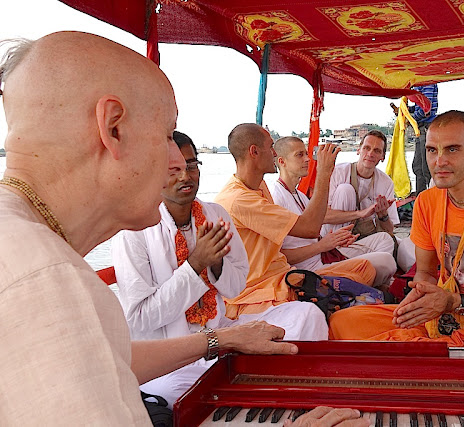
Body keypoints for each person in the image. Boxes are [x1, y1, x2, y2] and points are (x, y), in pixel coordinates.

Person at [0, 33, 365, 426]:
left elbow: (114, 358)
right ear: (113, 128)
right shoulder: (42, 281)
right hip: (178, 371)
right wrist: (196, 265)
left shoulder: (35, 248)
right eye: (164, 136)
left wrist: (220, 336)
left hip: (213, 336)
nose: (177, 164)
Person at [328, 110, 464, 405]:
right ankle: (444, 371)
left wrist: (457, 303)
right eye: (432, 150)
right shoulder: (427, 202)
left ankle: (416, 369)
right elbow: (425, 273)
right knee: (344, 323)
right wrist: (419, 296)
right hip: (439, 316)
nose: (439, 161)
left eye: (452, 149)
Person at [112, 131, 328, 407]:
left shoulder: (215, 215)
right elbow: (141, 319)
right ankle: (265, 389)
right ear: (151, 173)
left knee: (306, 314)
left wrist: (217, 265)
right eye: (173, 170)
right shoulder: (133, 231)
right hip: (174, 359)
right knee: (174, 392)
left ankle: (263, 388)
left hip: (224, 333)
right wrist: (196, 264)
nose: (185, 177)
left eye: (191, 166)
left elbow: (236, 287)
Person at [215, 124, 377, 318]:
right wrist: (324, 173)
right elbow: (310, 228)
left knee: (365, 269)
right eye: (271, 146)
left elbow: (311, 227)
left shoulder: (259, 186)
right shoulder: (239, 199)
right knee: (323, 309)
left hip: (287, 274)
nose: (274, 152)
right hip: (260, 291)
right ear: (254, 152)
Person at [272, 136, 396, 288]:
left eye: (306, 154)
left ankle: (367, 284)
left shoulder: (300, 196)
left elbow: (314, 232)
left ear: (382, 156)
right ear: (282, 162)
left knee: (385, 240)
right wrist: (323, 245)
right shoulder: (276, 198)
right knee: (386, 262)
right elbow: (278, 258)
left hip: (326, 254)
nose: (307, 159)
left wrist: (335, 240)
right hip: (312, 270)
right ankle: (369, 285)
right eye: (300, 155)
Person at [322, 130, 399, 237]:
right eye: (367, 148)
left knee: (387, 239)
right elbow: (323, 216)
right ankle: (337, 248)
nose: (370, 154)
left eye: (376, 151)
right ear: (358, 150)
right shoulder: (339, 172)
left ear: (383, 157)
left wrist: (383, 215)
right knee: (345, 190)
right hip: (333, 236)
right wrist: (360, 214)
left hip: (362, 235)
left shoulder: (386, 182)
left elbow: (390, 230)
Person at [409, 84, 438, 195]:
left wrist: (411, 119)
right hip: (419, 128)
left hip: (427, 127)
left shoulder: (428, 83)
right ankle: (420, 195)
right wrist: (407, 110)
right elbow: (418, 106)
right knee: (417, 166)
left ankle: (433, 195)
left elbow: (426, 109)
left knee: (426, 167)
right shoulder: (417, 85)